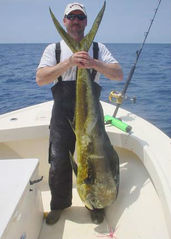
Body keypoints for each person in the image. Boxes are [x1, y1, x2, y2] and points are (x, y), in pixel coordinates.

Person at [36, 2, 123, 225]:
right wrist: (69, 62)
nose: (76, 21)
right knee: (58, 161)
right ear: (65, 21)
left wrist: (92, 62)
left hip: (92, 115)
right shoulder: (53, 49)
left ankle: (94, 204)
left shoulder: (97, 48)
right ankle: (59, 205)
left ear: (85, 22)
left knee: (97, 161)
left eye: (80, 17)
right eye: (71, 17)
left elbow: (118, 74)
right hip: (62, 114)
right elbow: (41, 79)